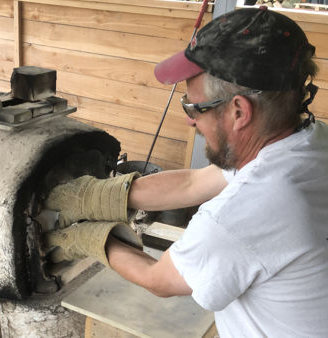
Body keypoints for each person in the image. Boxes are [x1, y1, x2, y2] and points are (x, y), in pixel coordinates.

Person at [43, 7, 328, 337]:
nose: (190, 120)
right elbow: (194, 182)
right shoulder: (309, 142)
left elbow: (159, 279)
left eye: (194, 107)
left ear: (239, 112)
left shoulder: (240, 214)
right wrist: (92, 196)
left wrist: (84, 238)